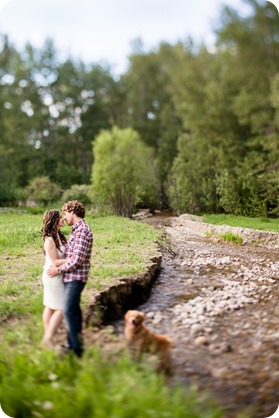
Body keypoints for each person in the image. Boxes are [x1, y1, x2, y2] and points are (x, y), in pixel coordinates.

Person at [47, 200, 93, 357]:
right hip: (70, 277)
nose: (64, 217)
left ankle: (76, 350)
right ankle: (72, 344)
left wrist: (59, 269)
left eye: (65, 213)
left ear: (73, 212)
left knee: (67, 311)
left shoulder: (82, 231)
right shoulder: (76, 230)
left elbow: (77, 259)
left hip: (76, 278)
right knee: (74, 311)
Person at [41, 210, 67, 349]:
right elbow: (55, 261)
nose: (63, 219)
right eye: (60, 217)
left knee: (50, 307)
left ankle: (48, 339)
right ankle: (48, 338)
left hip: (58, 274)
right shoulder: (49, 240)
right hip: (52, 275)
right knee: (62, 308)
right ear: (54, 220)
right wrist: (73, 260)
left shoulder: (60, 235)